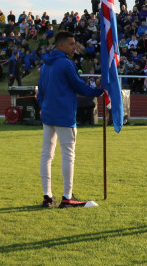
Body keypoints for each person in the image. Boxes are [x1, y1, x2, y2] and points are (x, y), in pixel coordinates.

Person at [36, 31, 104, 208]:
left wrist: (44, 108)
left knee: (46, 155)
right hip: (64, 116)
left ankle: (47, 196)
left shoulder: (45, 65)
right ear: (61, 45)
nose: (75, 47)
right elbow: (79, 87)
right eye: (71, 44)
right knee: (68, 155)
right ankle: (67, 197)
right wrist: (100, 91)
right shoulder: (66, 64)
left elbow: (40, 92)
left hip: (48, 115)